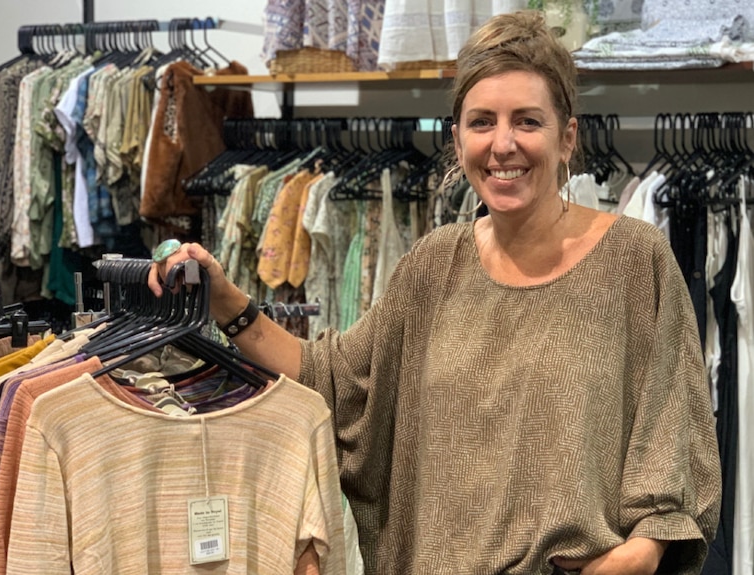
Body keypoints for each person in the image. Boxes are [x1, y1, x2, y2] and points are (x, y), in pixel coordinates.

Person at [148, 10, 721, 575]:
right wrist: (224, 300)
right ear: (456, 138)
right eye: (482, 122)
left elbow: (673, 431)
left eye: (527, 121)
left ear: (567, 137)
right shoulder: (433, 265)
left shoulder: (633, 260)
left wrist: (642, 551)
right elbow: (333, 380)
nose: (503, 145)